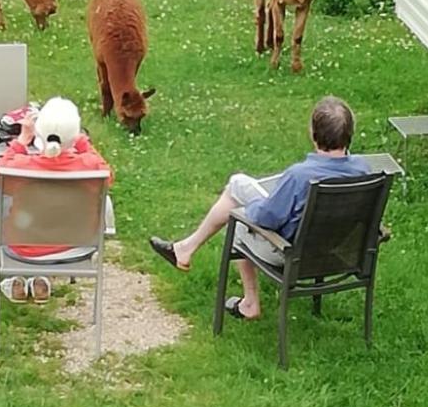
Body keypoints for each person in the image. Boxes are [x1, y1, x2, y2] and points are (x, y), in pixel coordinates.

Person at [149, 96, 368, 321]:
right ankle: (185, 249)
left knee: (237, 215)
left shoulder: (299, 176)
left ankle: (249, 303)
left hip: (291, 254)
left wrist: (249, 208)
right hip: (338, 252)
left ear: (313, 134)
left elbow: (266, 218)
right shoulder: (363, 170)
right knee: (240, 186)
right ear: (349, 133)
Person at [0, 96, 112, 304]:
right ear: (74, 134)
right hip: (78, 246)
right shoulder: (91, 166)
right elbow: (106, 174)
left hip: (24, 247)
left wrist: (21, 141)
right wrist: (82, 141)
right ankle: (40, 278)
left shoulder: (20, 167)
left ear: (39, 133)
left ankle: (24, 278)